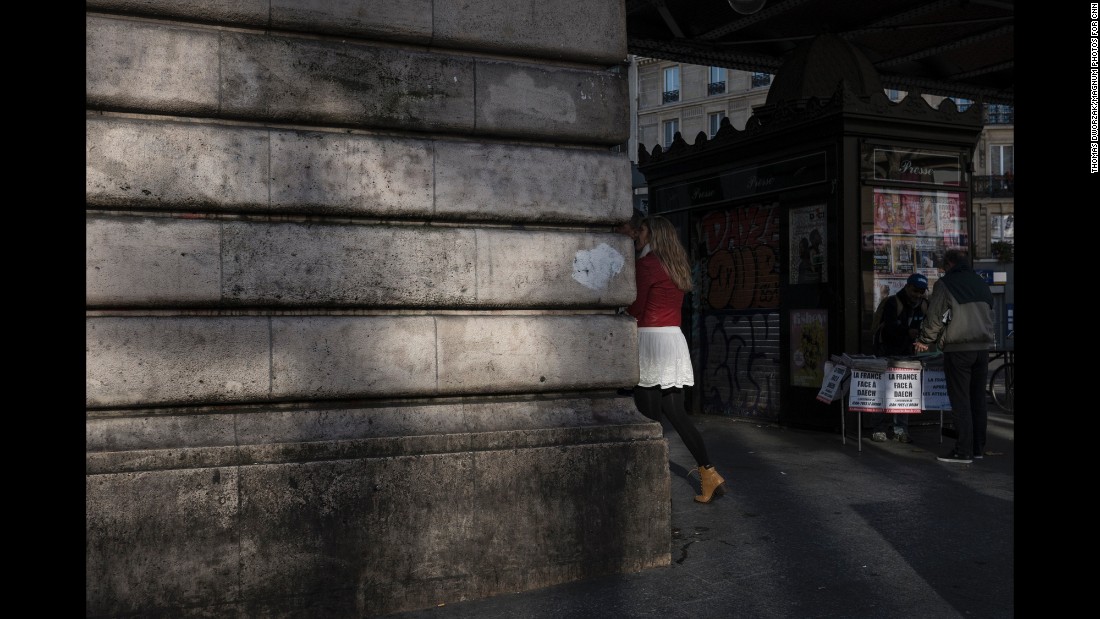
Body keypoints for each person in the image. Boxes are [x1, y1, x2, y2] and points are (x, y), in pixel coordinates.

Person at [626, 215, 727, 503]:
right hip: (673, 338)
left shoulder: (647, 264)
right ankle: (709, 474)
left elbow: (636, 307)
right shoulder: (676, 264)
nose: (637, 235)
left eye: (642, 230)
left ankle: (651, 487)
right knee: (677, 414)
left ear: (653, 235)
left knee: (649, 419)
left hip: (650, 340)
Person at [913, 249, 995, 464]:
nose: (942, 270)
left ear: (949, 264)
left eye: (943, 266)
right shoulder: (980, 283)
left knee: (961, 402)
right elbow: (990, 309)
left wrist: (924, 340)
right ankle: (977, 448)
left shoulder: (945, 283)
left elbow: (935, 316)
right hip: (983, 348)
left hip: (958, 349)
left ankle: (963, 451)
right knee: (978, 401)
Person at [869, 273, 929, 443]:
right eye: (915, 290)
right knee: (881, 391)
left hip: (907, 352)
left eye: (921, 291)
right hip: (885, 351)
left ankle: (900, 430)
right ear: (907, 286)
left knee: (904, 392)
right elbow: (889, 327)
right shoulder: (892, 303)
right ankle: (879, 429)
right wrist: (907, 332)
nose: (917, 295)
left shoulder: (923, 304)